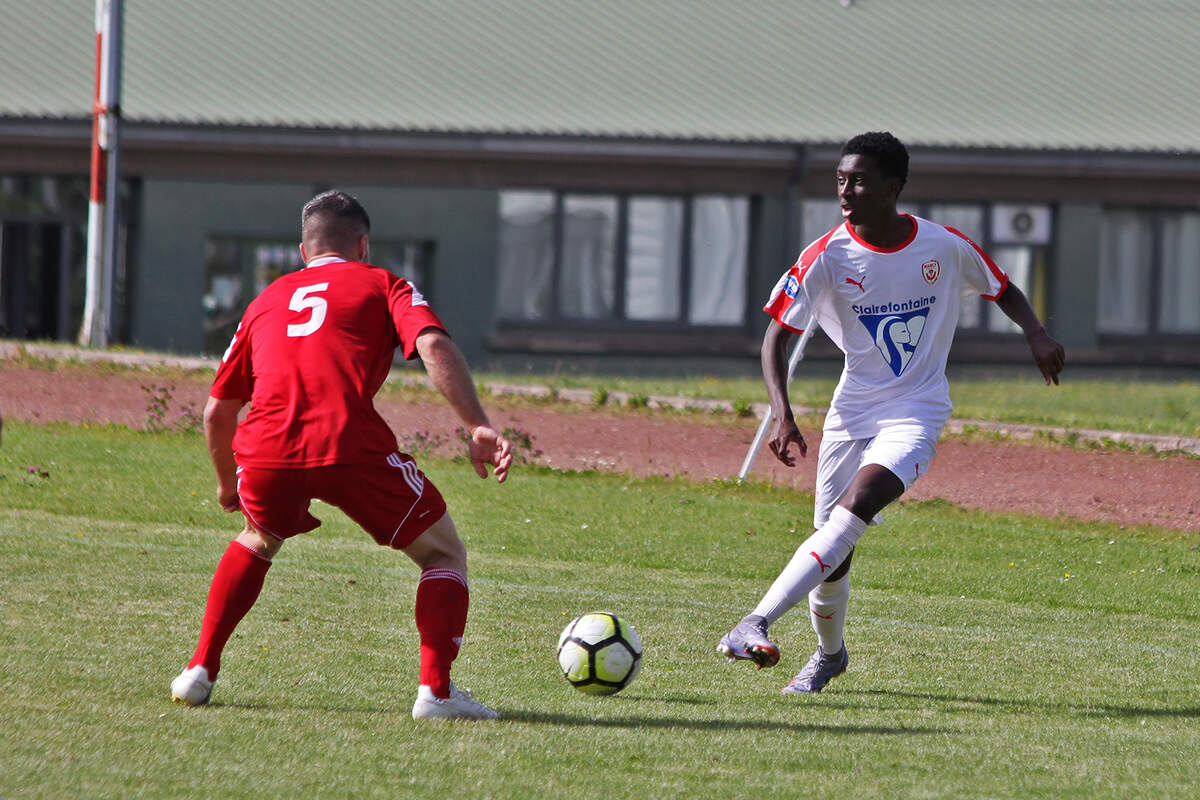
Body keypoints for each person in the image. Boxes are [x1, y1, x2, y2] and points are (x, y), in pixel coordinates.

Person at [718, 132, 1065, 694]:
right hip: (850, 413)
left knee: (856, 506)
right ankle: (830, 657)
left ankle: (753, 621)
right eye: (839, 179)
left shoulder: (943, 246)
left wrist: (1037, 333)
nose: (845, 191)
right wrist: (782, 414)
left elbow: (1003, 288)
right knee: (834, 549)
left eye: (857, 180)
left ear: (893, 186)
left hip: (916, 410)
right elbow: (774, 339)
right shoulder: (826, 255)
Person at [170, 190, 513, 720]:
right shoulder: (382, 282)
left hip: (264, 448)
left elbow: (218, 411)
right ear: (363, 244)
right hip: (348, 442)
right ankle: (437, 694)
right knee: (444, 554)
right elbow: (433, 345)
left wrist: (225, 483)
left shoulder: (266, 300)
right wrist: (477, 425)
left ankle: (198, 671)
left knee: (258, 535)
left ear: (303, 251)